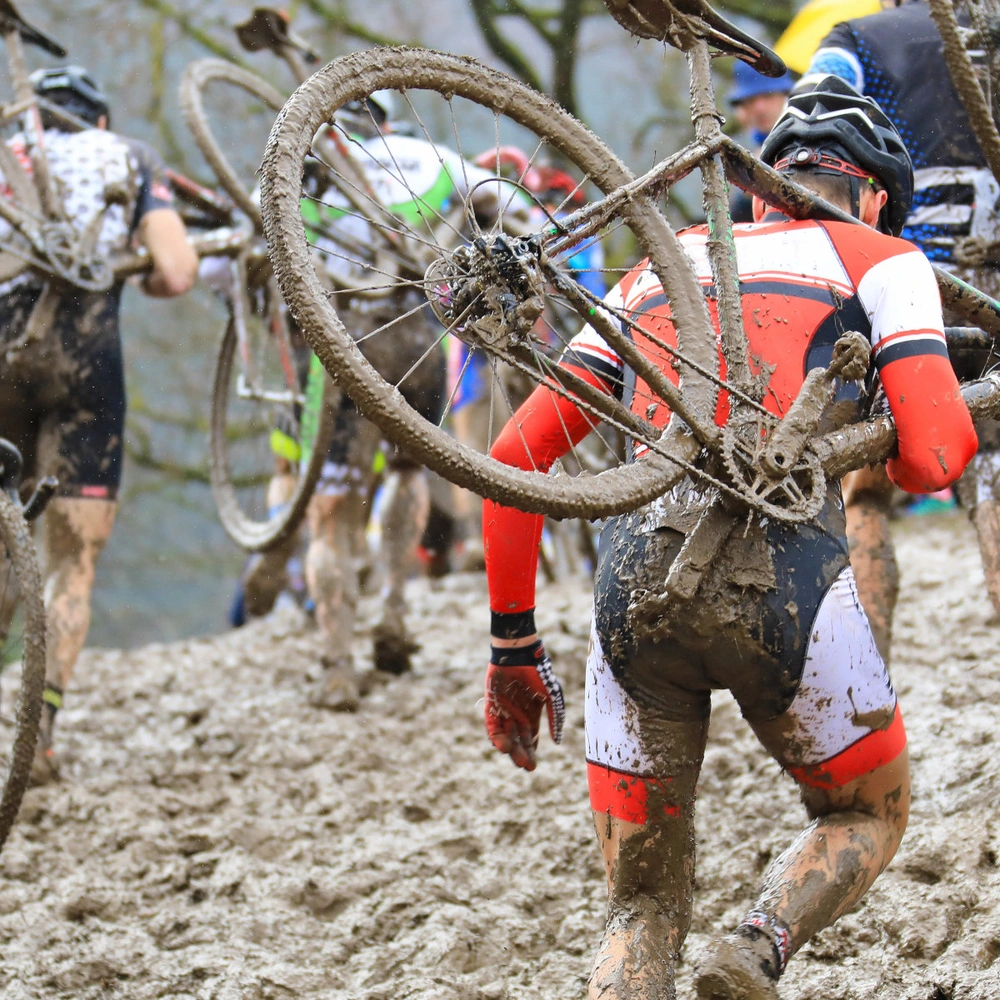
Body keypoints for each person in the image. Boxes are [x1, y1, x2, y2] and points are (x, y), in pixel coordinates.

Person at [480, 78, 976, 999]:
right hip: (787, 585)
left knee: (639, 907)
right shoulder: (883, 257)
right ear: (873, 196)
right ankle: (754, 949)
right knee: (867, 811)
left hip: (633, 584)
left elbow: (514, 460)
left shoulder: (654, 268)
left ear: (757, 190)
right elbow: (937, 458)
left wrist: (513, 644)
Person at [243, 92, 526, 709]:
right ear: (389, 119)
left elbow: (247, 259)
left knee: (334, 509)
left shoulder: (305, 173)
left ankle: (337, 664)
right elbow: (511, 205)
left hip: (341, 342)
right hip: (418, 338)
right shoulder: (431, 157)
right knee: (406, 473)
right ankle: (395, 606)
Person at [0, 66, 198, 782]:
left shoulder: (6, 152)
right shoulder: (129, 155)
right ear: (100, 119)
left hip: (1, 346)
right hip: (85, 358)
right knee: (71, 562)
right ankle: (40, 733)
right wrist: (140, 272)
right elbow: (176, 271)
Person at [799, 0, 1000, 652]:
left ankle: (871, 668)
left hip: (901, 286)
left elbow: (808, 146)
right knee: (994, 474)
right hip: (992, 286)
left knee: (864, 493)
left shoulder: (857, 39)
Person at [726, 61, 794, 222]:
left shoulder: (809, 140)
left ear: (786, 96)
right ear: (742, 110)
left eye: (768, 96)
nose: (760, 108)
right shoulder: (748, 149)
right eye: (750, 100)